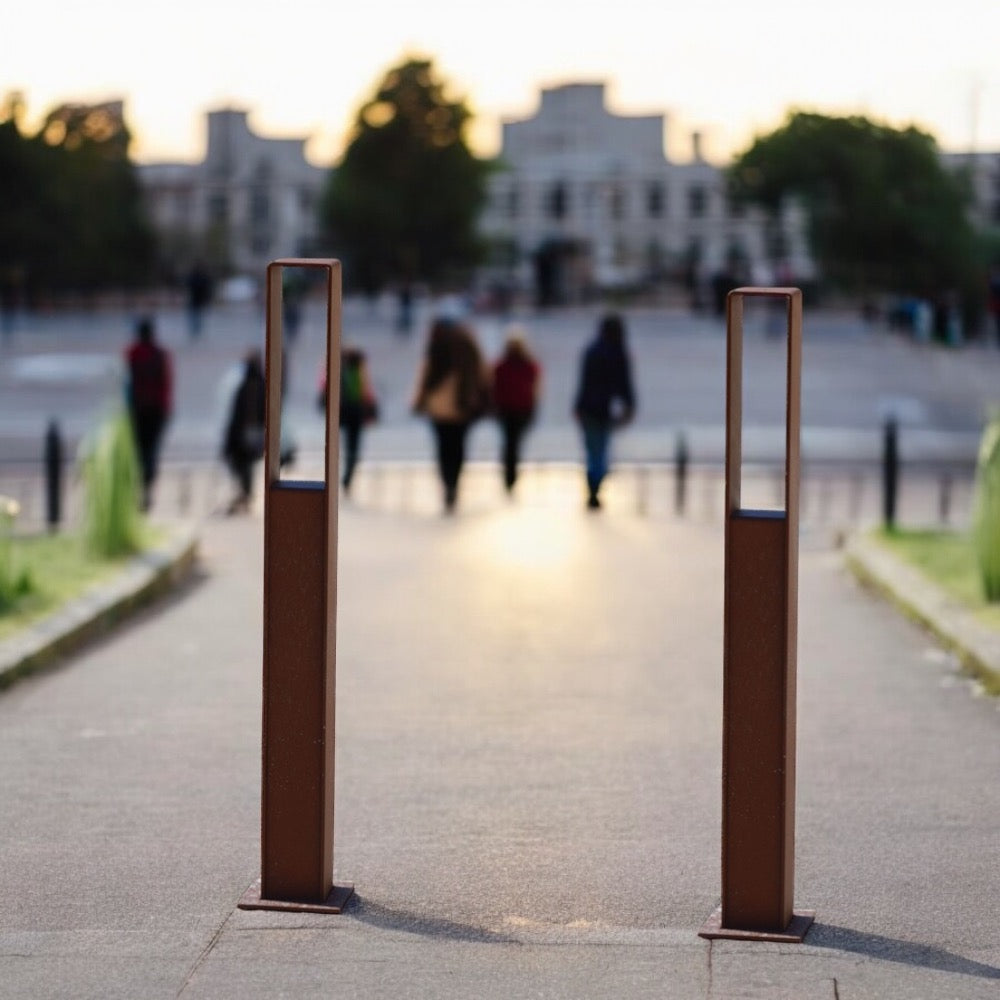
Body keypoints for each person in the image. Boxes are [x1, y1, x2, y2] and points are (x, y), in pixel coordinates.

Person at [411, 318, 491, 513]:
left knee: (443, 447)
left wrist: (418, 401)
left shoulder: (436, 349)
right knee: (459, 447)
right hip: (464, 406)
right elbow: (483, 375)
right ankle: (454, 482)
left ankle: (448, 483)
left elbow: (425, 376)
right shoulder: (469, 348)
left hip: (439, 407)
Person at [573, 312, 636, 510]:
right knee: (601, 450)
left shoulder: (592, 351)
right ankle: (596, 485)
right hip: (605, 409)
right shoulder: (619, 353)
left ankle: (593, 486)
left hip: (589, 408)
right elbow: (624, 384)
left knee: (593, 450)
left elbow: (584, 383)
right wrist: (629, 405)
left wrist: (578, 406)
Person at [124, 316, 172, 512]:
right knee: (151, 452)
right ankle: (146, 488)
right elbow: (166, 384)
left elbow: (125, 385)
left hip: (137, 410)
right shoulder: (160, 354)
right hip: (156, 411)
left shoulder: (132, 353)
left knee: (138, 451)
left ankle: (138, 489)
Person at [317, 347, 378, 492]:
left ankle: (339, 474)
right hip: (356, 411)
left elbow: (324, 384)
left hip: (341, 410)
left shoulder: (338, 368)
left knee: (336, 444)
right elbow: (367, 390)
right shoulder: (359, 369)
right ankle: (348, 475)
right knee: (353, 446)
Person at [492, 325, 541, 493]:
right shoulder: (529, 365)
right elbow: (535, 388)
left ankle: (509, 474)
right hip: (520, 409)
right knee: (514, 443)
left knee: (510, 443)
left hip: (508, 409)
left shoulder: (502, 365)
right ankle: (511, 474)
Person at [221, 349, 267, 514]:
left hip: (245, 432)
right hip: (256, 432)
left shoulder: (245, 386)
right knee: (246, 464)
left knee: (242, 462)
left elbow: (237, 413)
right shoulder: (262, 385)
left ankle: (246, 493)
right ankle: (246, 493)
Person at [186, 261, 212, 339]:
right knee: (196, 317)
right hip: (196, 300)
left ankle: (196, 333)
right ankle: (195, 333)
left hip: (197, 300)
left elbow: (207, 288)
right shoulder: (199, 277)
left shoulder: (199, 277)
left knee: (197, 318)